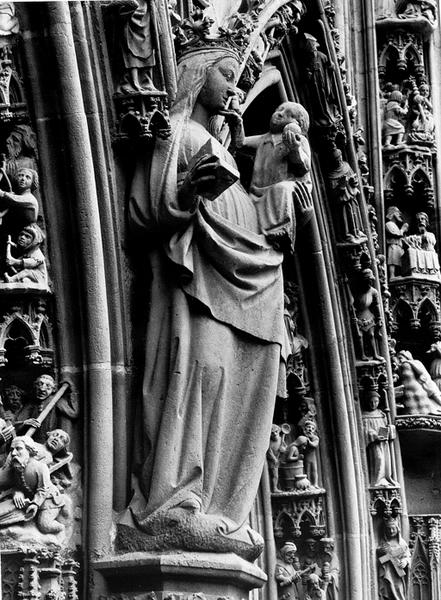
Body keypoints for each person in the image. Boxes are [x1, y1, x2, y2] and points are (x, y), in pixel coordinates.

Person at [125, 46, 309, 560]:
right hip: (196, 284)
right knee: (198, 373)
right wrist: (187, 190)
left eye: (237, 79)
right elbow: (143, 212)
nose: (233, 87)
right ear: (197, 76)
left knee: (233, 383)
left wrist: (280, 193)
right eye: (226, 76)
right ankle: (172, 502)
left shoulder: (224, 146)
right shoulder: (177, 134)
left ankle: (217, 506)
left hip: (240, 277)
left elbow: (244, 212)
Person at [245, 102, 312, 248]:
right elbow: (240, 143)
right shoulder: (264, 139)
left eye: (290, 114)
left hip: (293, 190)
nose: (280, 113)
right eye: (279, 109)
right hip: (258, 192)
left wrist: (294, 148)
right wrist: (236, 122)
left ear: (297, 124)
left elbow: (304, 166)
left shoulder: (299, 141)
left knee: (281, 189)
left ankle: (284, 228)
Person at [0, 436, 67, 534]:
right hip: (27, 499)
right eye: (12, 450)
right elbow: (18, 485)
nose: (13, 453)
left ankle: (62, 531)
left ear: (29, 450)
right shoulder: (17, 466)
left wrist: (35, 504)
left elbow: (44, 489)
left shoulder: (40, 467)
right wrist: (17, 492)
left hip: (48, 500)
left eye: (18, 449)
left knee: (45, 525)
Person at [362, 390, 396, 487]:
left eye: (376, 402)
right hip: (373, 444)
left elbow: (386, 426)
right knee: (379, 458)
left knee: (385, 460)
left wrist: (390, 428)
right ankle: (377, 481)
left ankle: (385, 478)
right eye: (371, 402)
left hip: (383, 442)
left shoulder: (382, 414)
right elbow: (364, 431)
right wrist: (372, 435)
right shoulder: (364, 415)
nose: (373, 404)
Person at [377, 518, 410, 600]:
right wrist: (380, 551)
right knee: (388, 590)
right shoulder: (384, 543)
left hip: (398, 573)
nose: (391, 531)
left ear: (397, 529)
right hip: (387, 572)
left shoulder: (402, 543)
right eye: (389, 529)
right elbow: (380, 558)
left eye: (393, 529)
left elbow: (407, 555)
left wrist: (405, 561)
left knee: (399, 590)